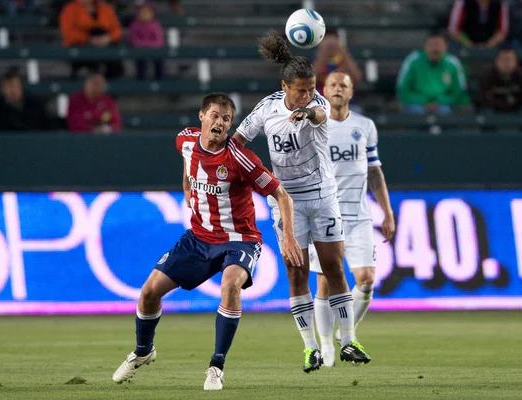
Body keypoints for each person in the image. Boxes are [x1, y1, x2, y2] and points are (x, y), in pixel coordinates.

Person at [112, 93, 302, 390]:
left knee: (230, 285)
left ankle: (216, 365)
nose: (220, 123)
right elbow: (188, 164)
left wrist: (289, 236)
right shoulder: (185, 140)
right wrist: (187, 187)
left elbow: (281, 194)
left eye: (226, 119)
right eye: (215, 115)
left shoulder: (241, 159)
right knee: (149, 292)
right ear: (201, 116)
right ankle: (143, 350)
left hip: (240, 239)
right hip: (199, 238)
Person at [232, 31, 372, 373]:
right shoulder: (267, 109)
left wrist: (307, 113)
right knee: (296, 273)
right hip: (286, 202)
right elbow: (238, 140)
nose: (308, 95)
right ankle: (310, 348)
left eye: (311, 88)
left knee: (333, 267)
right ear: (285, 87)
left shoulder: (318, 106)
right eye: (301, 90)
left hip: (323, 197)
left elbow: (320, 116)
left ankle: (348, 339)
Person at [307, 70, 395, 367]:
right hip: (325, 213)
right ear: (324, 90)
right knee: (323, 283)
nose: (337, 89)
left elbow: (374, 171)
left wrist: (387, 211)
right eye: (332, 85)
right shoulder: (315, 126)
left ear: (351, 91)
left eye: (343, 85)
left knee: (366, 280)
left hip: (359, 216)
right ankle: (327, 346)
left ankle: (348, 333)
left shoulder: (364, 126)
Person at [397, 32, 469, 115]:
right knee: (417, 112)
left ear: (446, 47)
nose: (435, 49)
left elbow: (459, 92)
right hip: (417, 103)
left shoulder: (453, 63)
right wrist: (423, 101)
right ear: (425, 47)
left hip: (444, 104)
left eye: (439, 45)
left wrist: (440, 101)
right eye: (431, 45)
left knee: (444, 111)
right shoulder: (413, 60)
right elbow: (402, 90)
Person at [59, 0, 124, 79]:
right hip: (80, 48)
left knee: (115, 63)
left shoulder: (105, 8)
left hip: (105, 46)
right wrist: (89, 39)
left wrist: (108, 38)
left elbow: (117, 31)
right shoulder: (70, 9)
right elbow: (68, 33)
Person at [0, 67, 56, 131]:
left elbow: (46, 127)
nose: (12, 90)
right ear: (2, 88)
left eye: (15, 86)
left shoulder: (35, 105)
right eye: (8, 87)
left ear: (21, 87)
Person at [480, 47, 522, 113]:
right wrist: (503, 104)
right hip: (495, 110)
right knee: (487, 112)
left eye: (510, 60)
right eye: (503, 60)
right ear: (496, 61)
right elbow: (485, 99)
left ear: (516, 61)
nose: (507, 63)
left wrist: (514, 104)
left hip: (517, 110)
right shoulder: (488, 76)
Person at [129, 1, 165, 80]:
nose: (144, 14)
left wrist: (150, 47)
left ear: (152, 14)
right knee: (140, 62)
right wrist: (145, 46)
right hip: (139, 50)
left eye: (147, 12)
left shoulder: (156, 25)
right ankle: (140, 80)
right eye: (142, 12)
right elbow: (134, 40)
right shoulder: (134, 25)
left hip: (155, 50)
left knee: (159, 60)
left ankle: (160, 80)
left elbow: (159, 41)